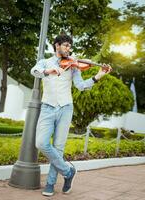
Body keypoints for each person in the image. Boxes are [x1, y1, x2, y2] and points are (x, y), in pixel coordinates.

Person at [30, 34, 112, 196]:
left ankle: (50, 184)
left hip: (66, 108)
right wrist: (49, 70)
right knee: (41, 143)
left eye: (69, 46)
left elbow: (81, 86)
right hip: (47, 107)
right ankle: (68, 171)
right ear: (57, 45)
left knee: (58, 147)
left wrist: (99, 76)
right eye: (66, 45)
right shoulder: (45, 62)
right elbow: (34, 71)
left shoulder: (73, 65)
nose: (69, 49)